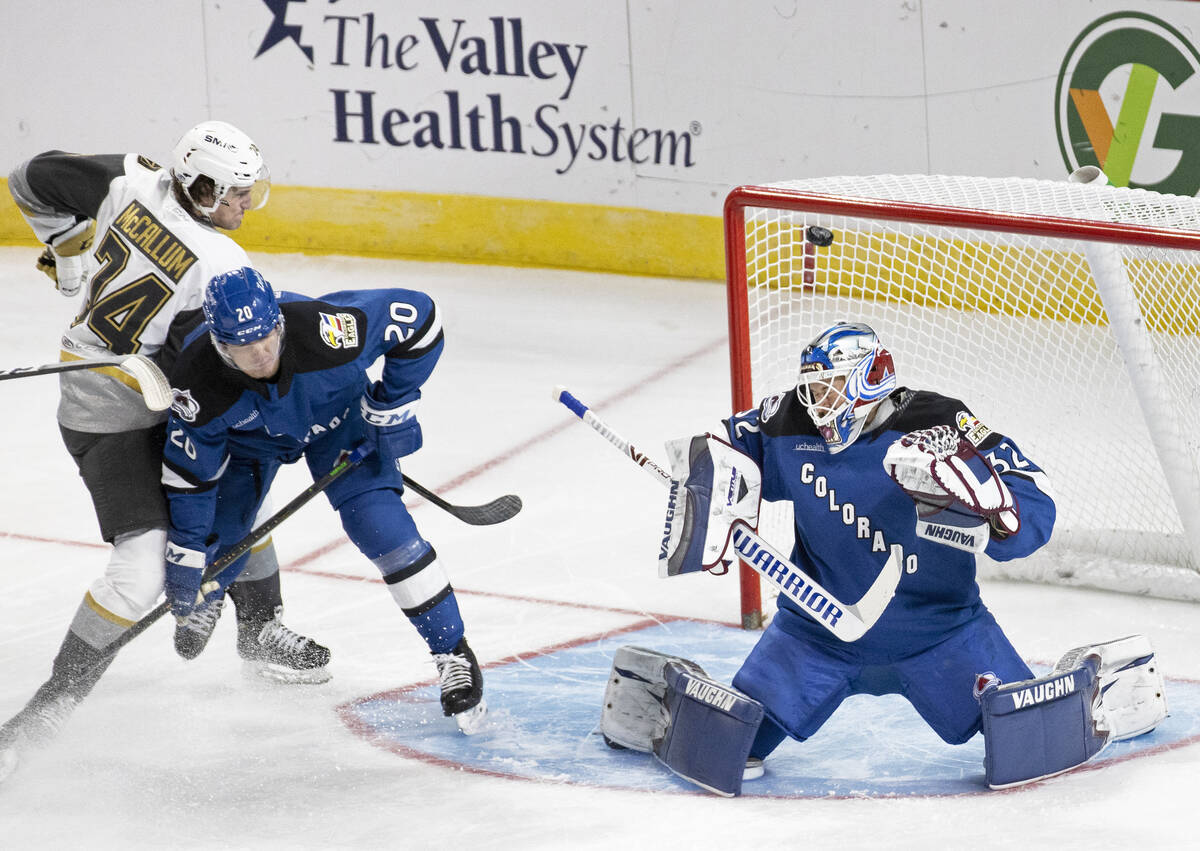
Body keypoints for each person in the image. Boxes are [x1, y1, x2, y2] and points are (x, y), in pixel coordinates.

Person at [600, 321, 1165, 794]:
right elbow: (718, 453)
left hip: (941, 634)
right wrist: (710, 499)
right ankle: (661, 696)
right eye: (811, 391)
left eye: (829, 390)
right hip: (813, 635)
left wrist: (996, 504)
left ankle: (1104, 689)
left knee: (1030, 745)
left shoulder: (943, 423)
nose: (816, 406)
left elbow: (1032, 516)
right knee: (725, 747)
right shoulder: (787, 421)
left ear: (870, 379)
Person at [0, 122, 329, 777]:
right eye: (234, 194)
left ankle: (259, 629)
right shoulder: (221, 265)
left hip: (125, 388)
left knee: (234, 483)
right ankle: (51, 704)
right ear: (201, 187)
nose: (244, 206)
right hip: (110, 414)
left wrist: (67, 251)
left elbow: (28, 180)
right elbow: (212, 368)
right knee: (143, 564)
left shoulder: (132, 179)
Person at [159, 265, 487, 733]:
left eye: (268, 338)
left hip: (341, 425)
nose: (261, 356)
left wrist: (391, 404)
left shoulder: (327, 330)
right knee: (219, 537)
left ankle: (452, 652)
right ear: (219, 343)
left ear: (279, 321)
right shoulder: (197, 382)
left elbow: (421, 316)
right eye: (244, 348)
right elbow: (191, 476)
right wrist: (188, 550)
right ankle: (216, 586)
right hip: (253, 445)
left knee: (382, 528)